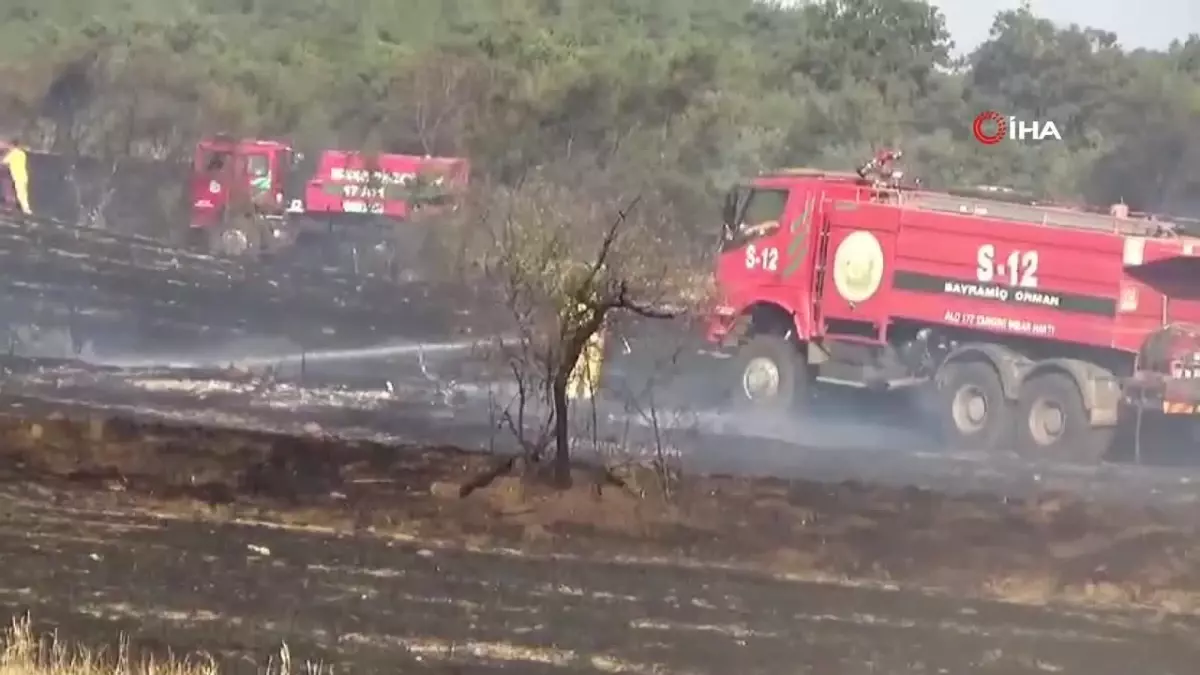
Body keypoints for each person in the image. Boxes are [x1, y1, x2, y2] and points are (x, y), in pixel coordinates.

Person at [1, 137, 30, 215]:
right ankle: (26, 209)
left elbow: (4, 162)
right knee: (23, 193)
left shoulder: (13, 153)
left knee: (20, 194)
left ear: (12, 145)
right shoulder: (22, 153)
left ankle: (26, 211)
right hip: (24, 175)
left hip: (17, 176)